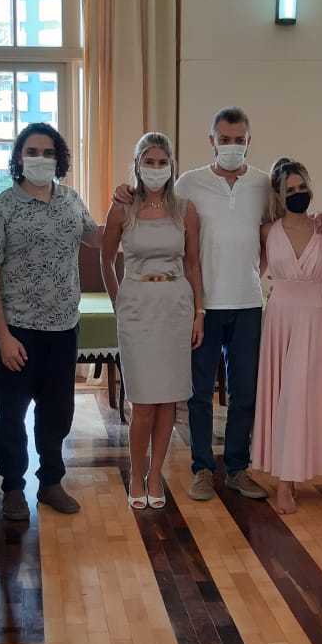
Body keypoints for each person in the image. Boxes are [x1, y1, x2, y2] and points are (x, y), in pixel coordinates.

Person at [0, 122, 103, 520]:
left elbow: (97, 238)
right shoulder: (0, 208)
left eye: (48, 153)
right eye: (32, 152)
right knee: (11, 414)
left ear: (59, 159)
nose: (40, 159)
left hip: (64, 328)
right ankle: (13, 487)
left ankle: (51, 482)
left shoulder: (71, 200)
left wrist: (125, 205)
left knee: (57, 411)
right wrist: (3, 336)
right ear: (19, 158)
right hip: (18, 330)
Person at [101, 133, 204, 510]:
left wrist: (199, 313)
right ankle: (136, 472)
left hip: (176, 304)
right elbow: (106, 259)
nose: (156, 169)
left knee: (168, 401)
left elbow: (192, 264)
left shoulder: (185, 210)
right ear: (138, 165)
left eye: (162, 162)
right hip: (137, 305)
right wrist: (119, 301)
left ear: (171, 166)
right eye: (150, 162)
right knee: (144, 401)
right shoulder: (122, 208)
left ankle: (156, 474)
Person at [173, 107, 270, 502]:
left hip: (248, 304)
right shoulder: (188, 183)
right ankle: (201, 469)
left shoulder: (263, 184)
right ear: (211, 140)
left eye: (239, 140)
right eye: (225, 140)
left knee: (244, 392)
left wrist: (253, 274)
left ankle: (237, 469)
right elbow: (173, 234)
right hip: (204, 306)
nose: (232, 146)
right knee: (199, 394)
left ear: (249, 141)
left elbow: (272, 238)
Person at [251, 158, 322, 515]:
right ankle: (287, 478)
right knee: (282, 398)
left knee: (301, 398)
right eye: (290, 190)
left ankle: (289, 479)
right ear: (279, 195)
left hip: (314, 319)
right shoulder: (267, 231)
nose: (298, 194)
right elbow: (251, 272)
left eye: (303, 187)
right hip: (279, 318)